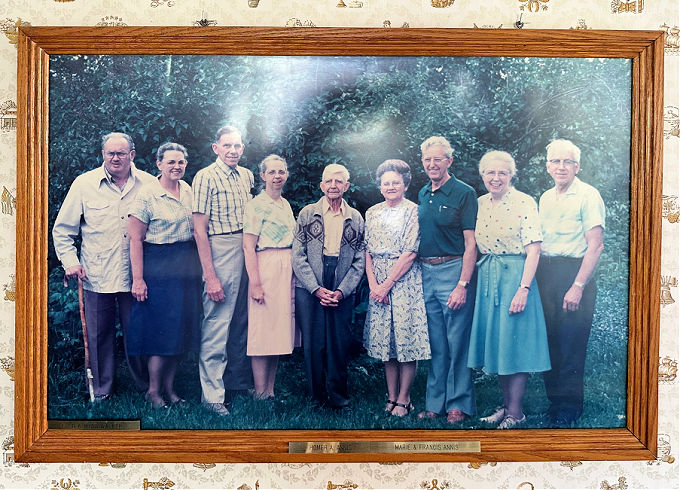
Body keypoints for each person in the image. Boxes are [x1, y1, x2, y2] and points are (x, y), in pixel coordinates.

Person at [52, 132, 156, 400]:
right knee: (99, 336)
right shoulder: (84, 184)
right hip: (96, 274)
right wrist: (71, 263)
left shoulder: (149, 184)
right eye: (110, 153)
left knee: (140, 332)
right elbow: (62, 230)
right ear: (103, 155)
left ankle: (146, 386)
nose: (115, 158)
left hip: (136, 275)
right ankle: (102, 390)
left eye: (121, 153)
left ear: (132, 155)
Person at [467, 150, 551, 429]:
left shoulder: (524, 202)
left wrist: (523, 288)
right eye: (490, 172)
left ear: (512, 175)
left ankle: (516, 412)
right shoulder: (478, 203)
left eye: (502, 172)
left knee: (515, 344)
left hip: (516, 276)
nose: (496, 177)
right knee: (500, 344)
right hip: (489, 277)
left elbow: (534, 250)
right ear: (482, 176)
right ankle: (506, 407)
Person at [127, 142, 202, 409]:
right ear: (158, 164)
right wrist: (138, 279)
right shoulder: (147, 195)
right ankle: (153, 391)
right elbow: (135, 239)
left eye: (180, 162)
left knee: (180, 331)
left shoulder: (190, 191)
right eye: (170, 162)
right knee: (161, 333)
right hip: (158, 267)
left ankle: (170, 390)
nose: (176, 166)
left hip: (185, 266)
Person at [536, 139, 605, 427]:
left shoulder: (588, 196)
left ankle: (569, 408)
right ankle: (554, 404)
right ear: (547, 165)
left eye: (567, 162)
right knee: (549, 341)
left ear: (578, 166)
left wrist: (577, 285)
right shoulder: (545, 197)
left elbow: (596, 246)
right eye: (555, 161)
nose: (561, 166)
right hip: (546, 273)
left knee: (571, 343)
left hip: (575, 274)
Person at [192, 126, 254, 416]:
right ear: (215, 148)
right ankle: (212, 395)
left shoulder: (246, 175)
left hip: (247, 245)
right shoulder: (205, 177)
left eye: (237, 145)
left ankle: (237, 384)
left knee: (242, 320)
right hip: (221, 248)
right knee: (217, 321)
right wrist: (211, 275)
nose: (233, 150)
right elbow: (200, 231)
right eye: (227, 145)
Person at [292, 163, 365, 410]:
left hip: (341, 282)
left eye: (338, 181)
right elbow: (298, 255)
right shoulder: (307, 213)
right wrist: (315, 288)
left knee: (338, 342)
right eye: (328, 181)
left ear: (346, 185)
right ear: (322, 185)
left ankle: (339, 397)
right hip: (310, 283)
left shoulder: (355, 217)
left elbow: (359, 260)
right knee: (314, 342)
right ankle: (316, 398)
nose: (333, 186)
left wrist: (342, 291)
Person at [417, 136, 477, 424]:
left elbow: (471, 244)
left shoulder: (464, 193)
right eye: (428, 159)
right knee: (436, 343)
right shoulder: (423, 193)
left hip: (453, 271)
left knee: (456, 342)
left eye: (438, 159)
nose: (432, 164)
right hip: (426, 273)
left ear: (449, 161)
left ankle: (458, 404)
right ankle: (434, 403)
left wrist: (462, 284)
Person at [364, 160, 430, 417]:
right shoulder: (372, 212)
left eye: (395, 182)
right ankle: (391, 397)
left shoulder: (414, 211)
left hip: (403, 280)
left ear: (405, 184)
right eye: (386, 183)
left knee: (405, 338)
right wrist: (373, 285)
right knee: (385, 342)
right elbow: (366, 250)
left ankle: (404, 399)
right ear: (380, 186)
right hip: (377, 281)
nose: (390, 186)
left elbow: (410, 252)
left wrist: (387, 285)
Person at [242, 154, 297, 399]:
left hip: (286, 269)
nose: (277, 177)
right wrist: (255, 284)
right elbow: (248, 246)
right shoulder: (256, 205)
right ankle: (259, 391)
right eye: (272, 172)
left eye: (281, 172)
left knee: (278, 330)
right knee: (262, 330)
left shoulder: (285, 204)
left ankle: (270, 390)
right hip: (265, 267)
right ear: (262, 175)